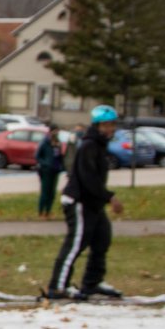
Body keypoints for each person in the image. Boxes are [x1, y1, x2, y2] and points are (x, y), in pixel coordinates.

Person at [46, 104, 124, 300]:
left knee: (102, 239)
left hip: (93, 203)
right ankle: (57, 286)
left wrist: (103, 198)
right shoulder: (89, 145)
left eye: (112, 124)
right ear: (97, 125)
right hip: (78, 201)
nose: (110, 129)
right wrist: (110, 197)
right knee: (75, 244)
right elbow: (88, 179)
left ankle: (92, 282)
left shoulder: (99, 145)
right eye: (106, 125)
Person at [34, 123, 64, 219]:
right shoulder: (45, 142)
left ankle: (48, 211)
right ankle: (41, 212)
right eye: (54, 131)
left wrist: (61, 166)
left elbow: (59, 156)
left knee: (52, 193)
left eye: (57, 131)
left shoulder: (57, 143)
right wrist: (45, 164)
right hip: (46, 171)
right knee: (45, 192)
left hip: (55, 170)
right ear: (50, 131)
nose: (56, 133)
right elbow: (37, 156)